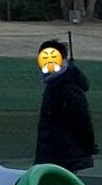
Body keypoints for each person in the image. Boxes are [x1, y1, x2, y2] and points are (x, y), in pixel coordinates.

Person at [34, 39, 97, 172]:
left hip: (64, 155)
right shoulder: (57, 82)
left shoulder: (66, 86)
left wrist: (88, 146)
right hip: (58, 154)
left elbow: (82, 119)